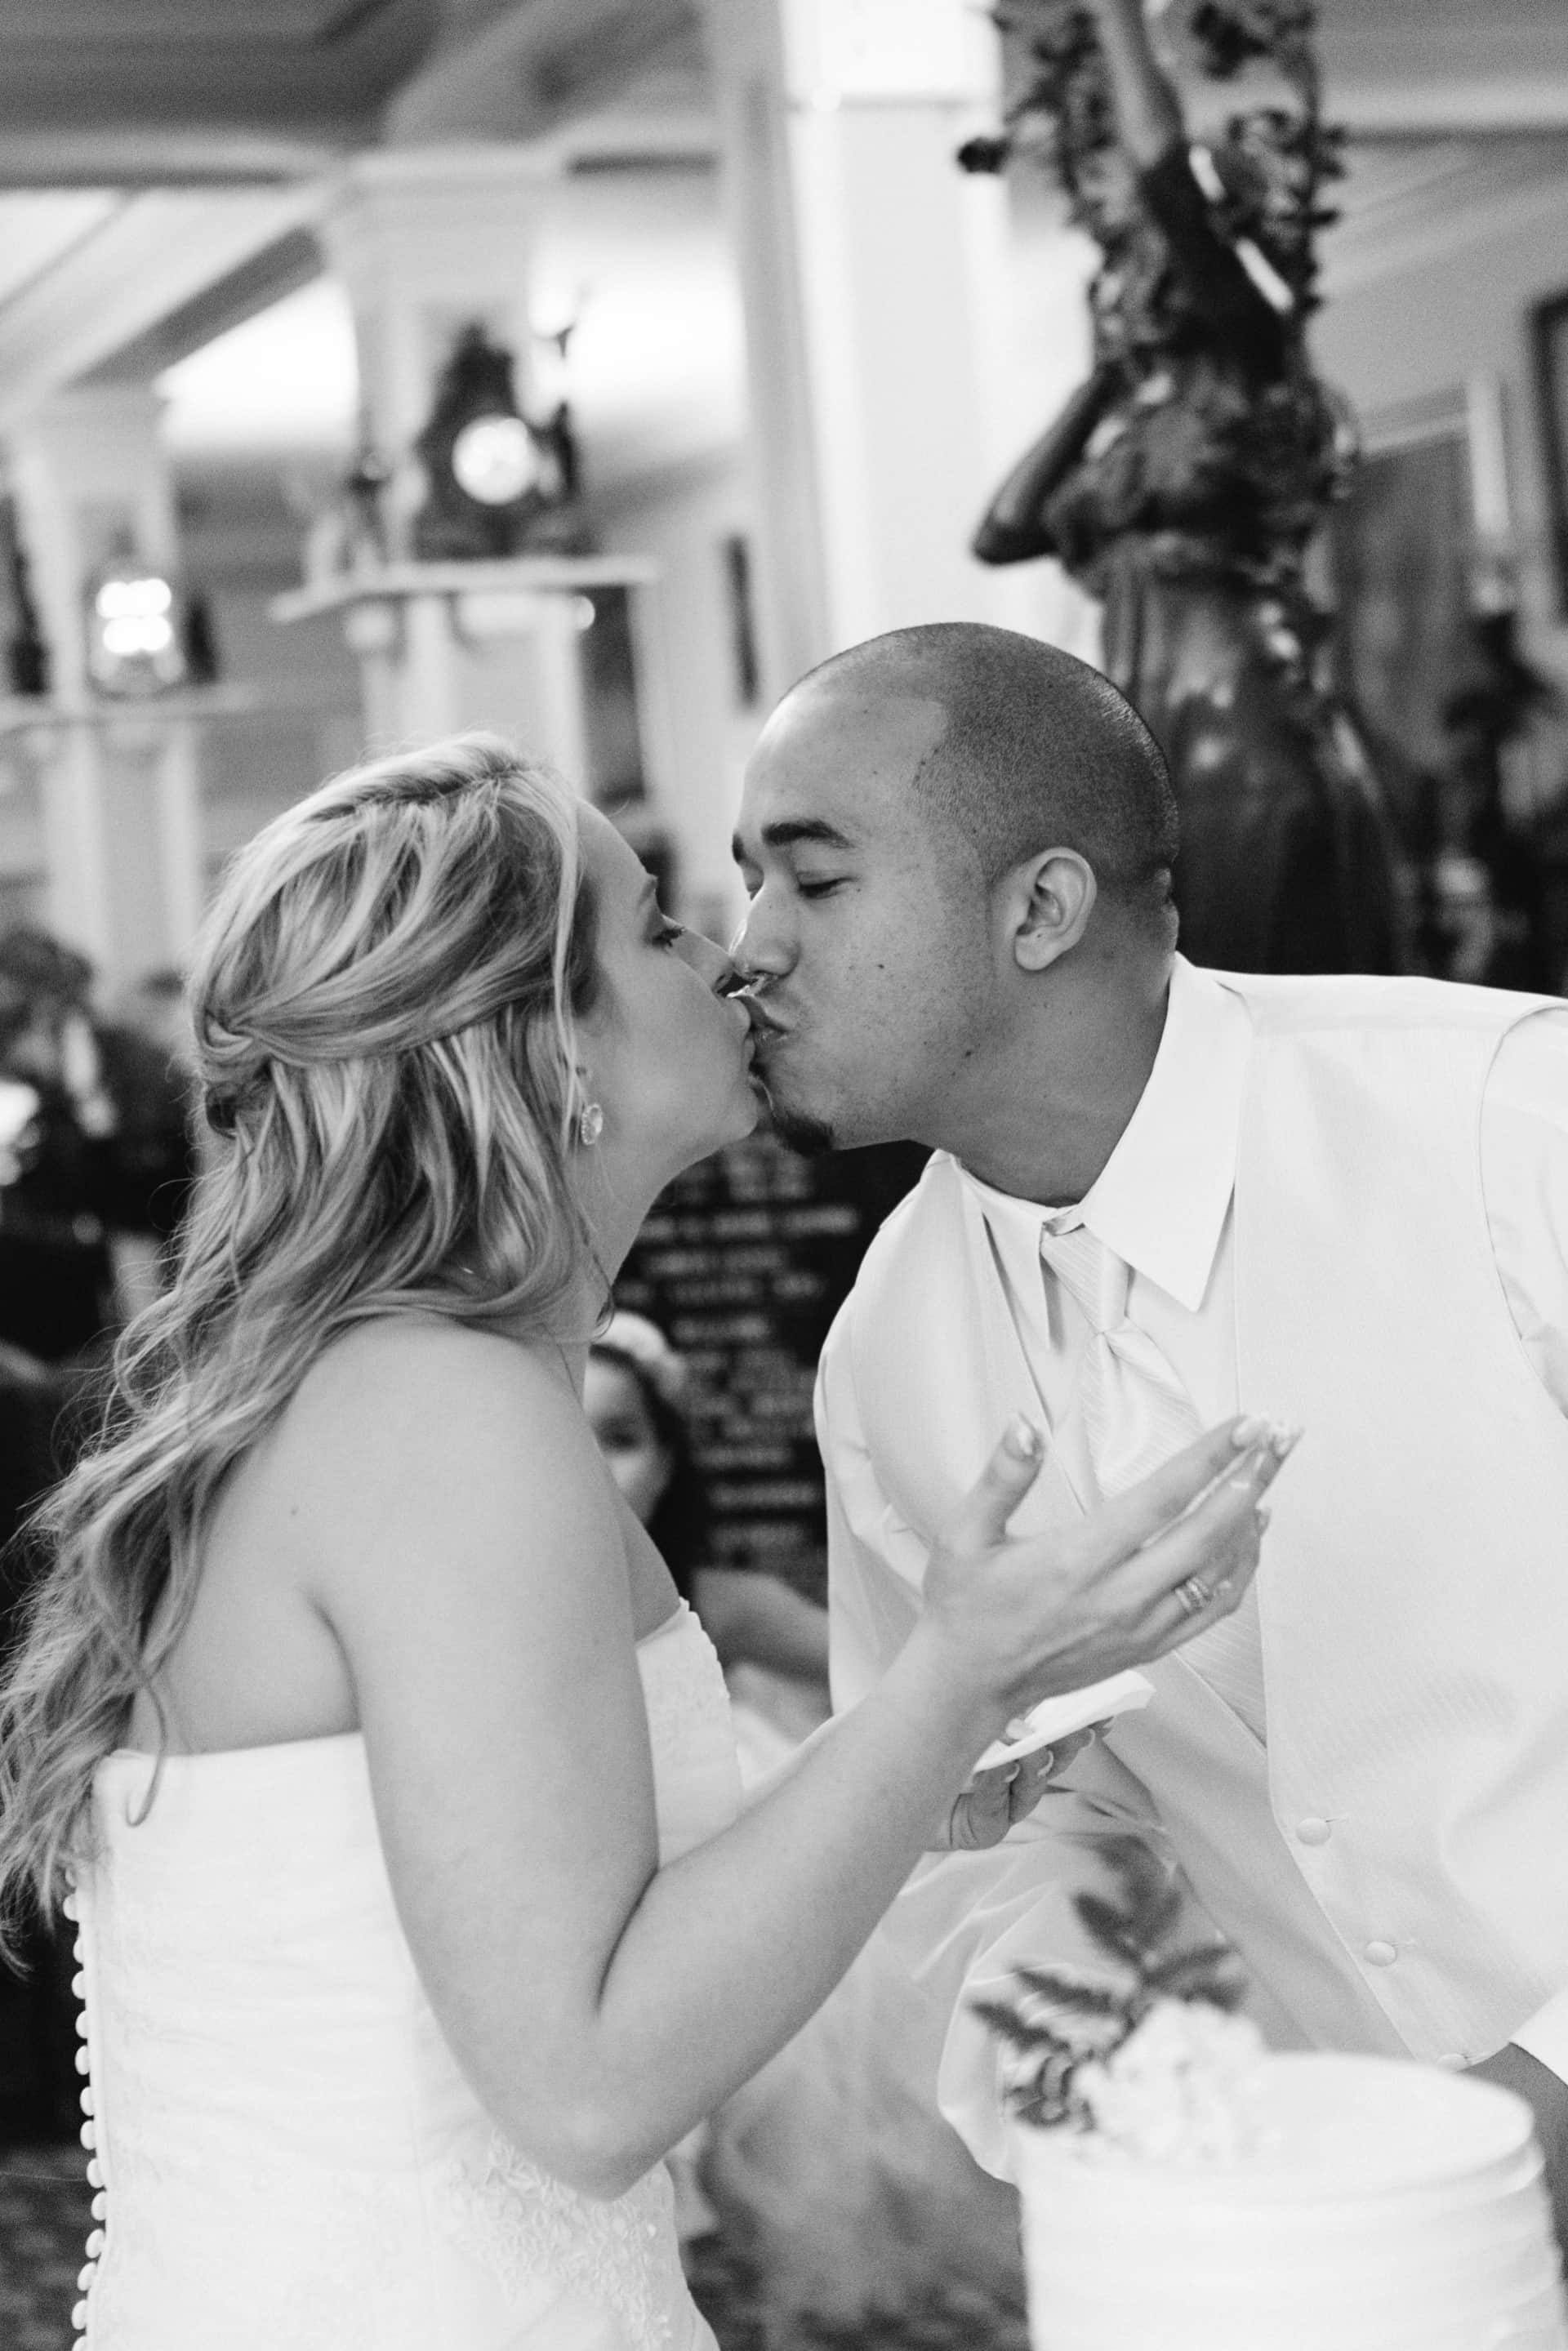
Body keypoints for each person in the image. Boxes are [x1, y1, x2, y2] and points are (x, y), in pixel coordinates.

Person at [0, 733, 1283, 2350]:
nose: (735, 952)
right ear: (549, 1049)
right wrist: (946, 1674)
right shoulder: (449, 1422)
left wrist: (915, 1783)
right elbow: (592, 2084)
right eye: (660, 927)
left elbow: (546, 1901)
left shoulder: (407, 1398)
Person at [729, 620, 1568, 2261]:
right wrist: (1167, 2126)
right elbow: (989, 1830)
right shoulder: (888, 1356)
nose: (749, 944)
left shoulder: (1500, 1129)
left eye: (814, 883)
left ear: (1042, 907)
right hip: (1355, 2251)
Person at [964, 0, 1401, 974]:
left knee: (1264, 991)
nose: (1129, 274)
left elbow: (1167, 174)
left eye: (1153, 248)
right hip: (1147, 755)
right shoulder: (1133, 435)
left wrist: (1116, 17)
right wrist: (1099, 383)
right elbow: (1001, 531)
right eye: (1119, 259)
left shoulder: (1252, 367)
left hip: (1250, 740)